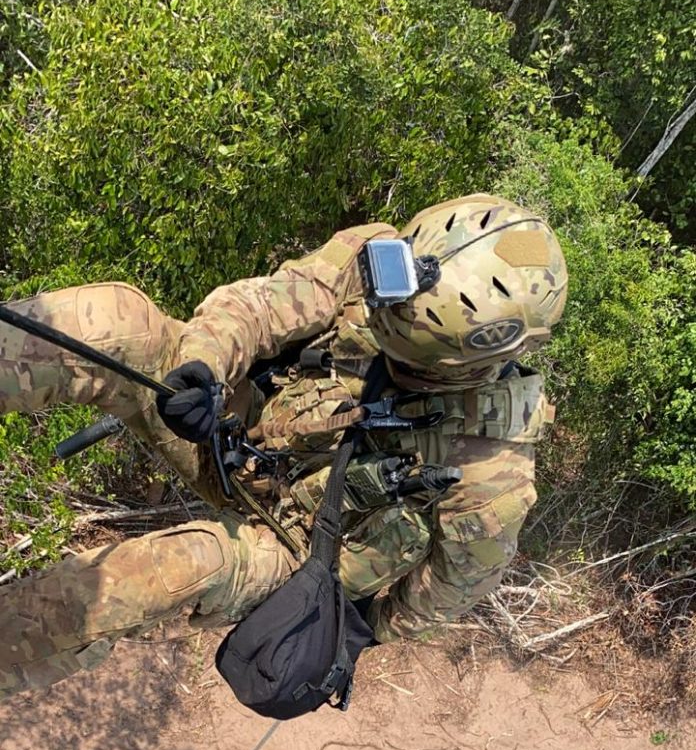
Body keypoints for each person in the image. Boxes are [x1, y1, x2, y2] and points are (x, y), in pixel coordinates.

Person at [0, 194, 567, 698]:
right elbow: (260, 307)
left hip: (291, 546)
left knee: (174, 568)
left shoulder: (492, 470)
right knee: (124, 324)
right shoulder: (374, 258)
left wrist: (358, 629)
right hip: (235, 432)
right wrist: (202, 367)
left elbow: (453, 585)